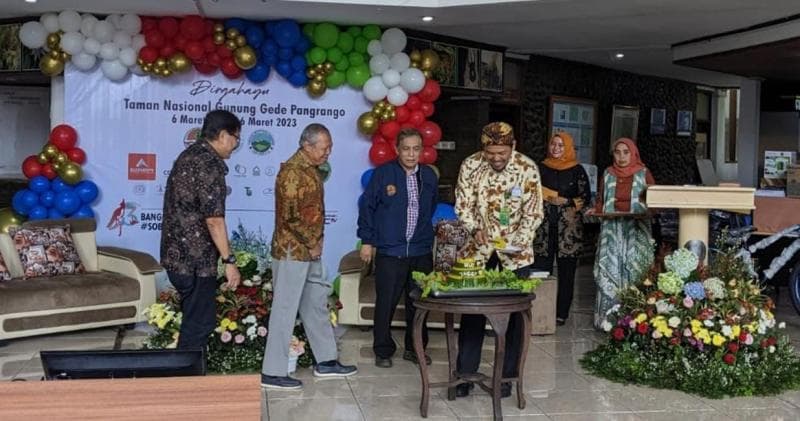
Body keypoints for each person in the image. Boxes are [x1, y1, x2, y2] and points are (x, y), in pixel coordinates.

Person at [261, 123, 357, 390]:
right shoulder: (292, 172)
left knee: (315, 304)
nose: (328, 152)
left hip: (309, 251)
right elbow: (291, 217)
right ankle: (272, 372)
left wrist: (318, 240)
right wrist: (313, 241)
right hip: (293, 250)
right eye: (324, 147)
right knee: (285, 310)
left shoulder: (311, 170)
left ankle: (326, 361)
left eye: (330, 147)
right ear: (307, 145)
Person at [453, 122, 543, 398]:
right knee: (472, 315)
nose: (496, 158)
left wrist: (517, 240)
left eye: (501, 153)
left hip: (515, 256)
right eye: (490, 153)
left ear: (512, 147)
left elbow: (534, 213)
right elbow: (462, 205)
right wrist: (473, 228)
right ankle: (465, 376)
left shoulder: (527, 169)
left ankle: (506, 378)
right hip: (477, 252)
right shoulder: (470, 165)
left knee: (514, 319)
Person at [160, 109, 242, 351]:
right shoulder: (208, 163)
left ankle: (187, 378)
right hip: (195, 261)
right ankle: (186, 382)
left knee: (195, 322)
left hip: (177, 258)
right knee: (199, 325)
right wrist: (229, 260)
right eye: (236, 138)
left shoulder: (189, 155)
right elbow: (213, 219)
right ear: (223, 135)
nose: (236, 144)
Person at [358, 128, 438, 368]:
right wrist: (367, 241)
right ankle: (383, 350)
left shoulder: (429, 176)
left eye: (416, 149)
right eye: (406, 149)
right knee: (386, 303)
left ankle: (415, 349)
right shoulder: (383, 174)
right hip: (390, 252)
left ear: (422, 151)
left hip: (420, 251)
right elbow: (367, 208)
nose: (411, 154)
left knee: (419, 304)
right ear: (397, 149)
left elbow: (431, 207)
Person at [588, 138, 655, 329]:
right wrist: (597, 210)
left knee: (636, 271)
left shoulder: (643, 173)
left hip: (636, 232)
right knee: (610, 270)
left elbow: (655, 201)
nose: (622, 156)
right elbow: (601, 199)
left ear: (634, 153)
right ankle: (608, 320)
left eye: (626, 152)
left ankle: (638, 320)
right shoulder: (608, 174)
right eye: (617, 152)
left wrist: (650, 211)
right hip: (612, 232)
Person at [533, 133, 591, 326]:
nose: (556, 148)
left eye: (561, 145)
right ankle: (540, 311)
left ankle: (561, 313)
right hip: (543, 229)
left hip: (568, 232)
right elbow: (529, 192)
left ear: (568, 147)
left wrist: (566, 201)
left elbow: (585, 198)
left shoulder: (577, 170)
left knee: (566, 274)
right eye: (553, 144)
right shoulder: (540, 168)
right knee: (541, 272)